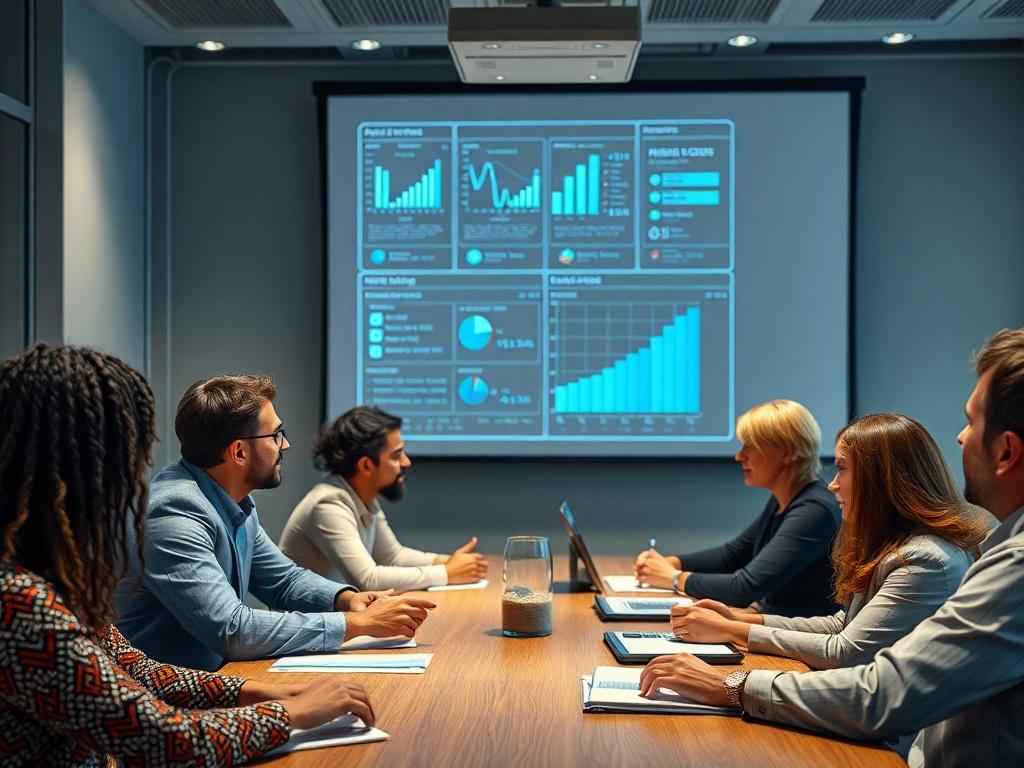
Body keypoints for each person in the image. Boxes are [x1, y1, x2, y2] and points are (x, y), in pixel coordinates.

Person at [639, 328, 1024, 767]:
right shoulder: (949, 548)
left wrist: (728, 683)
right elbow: (845, 625)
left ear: (1007, 451)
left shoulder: (951, 561)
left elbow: (877, 689)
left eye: (971, 421)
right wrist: (743, 622)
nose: (959, 437)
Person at [0, 345, 376, 766]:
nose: (140, 467)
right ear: (85, 466)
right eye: (130, 451)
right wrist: (289, 714)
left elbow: (138, 672)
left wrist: (255, 691)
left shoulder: (51, 576)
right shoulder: (20, 601)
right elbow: (162, 739)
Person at [116, 375, 435, 671]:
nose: (285, 445)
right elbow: (232, 630)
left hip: (214, 679)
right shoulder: (174, 514)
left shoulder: (234, 499)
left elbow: (284, 581)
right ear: (239, 452)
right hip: (165, 697)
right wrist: (355, 624)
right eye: (276, 436)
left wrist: (348, 600)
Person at [670, 413, 987, 670]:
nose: (832, 485)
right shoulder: (896, 543)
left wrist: (733, 630)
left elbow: (844, 652)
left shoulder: (923, 560)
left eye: (842, 469)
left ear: (880, 480)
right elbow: (842, 624)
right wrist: (740, 618)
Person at [636, 399, 841, 616]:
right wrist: (669, 563)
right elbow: (732, 555)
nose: (739, 456)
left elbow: (744, 588)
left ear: (788, 453)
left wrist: (673, 578)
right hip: (774, 625)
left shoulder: (814, 510)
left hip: (798, 634)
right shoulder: (786, 499)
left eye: (751, 445)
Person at [280, 406, 488, 592]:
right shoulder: (328, 504)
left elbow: (393, 557)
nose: (406, 462)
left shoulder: (362, 497)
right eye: (396, 455)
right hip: (309, 623)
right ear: (366, 465)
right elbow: (368, 580)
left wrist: (447, 562)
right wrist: (447, 573)